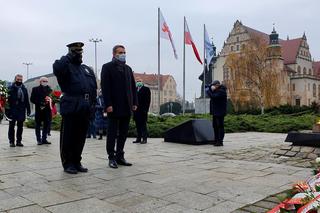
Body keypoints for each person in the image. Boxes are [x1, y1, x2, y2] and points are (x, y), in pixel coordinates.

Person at [53, 42, 97, 174]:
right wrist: (68, 57)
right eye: (76, 51)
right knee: (69, 136)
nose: (79, 54)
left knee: (80, 137)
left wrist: (93, 105)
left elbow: (93, 87)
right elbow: (58, 68)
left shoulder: (86, 69)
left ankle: (77, 161)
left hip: (85, 106)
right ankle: (68, 163)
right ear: (70, 52)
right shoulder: (65, 67)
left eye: (80, 52)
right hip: (72, 105)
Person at [101, 44, 138, 169]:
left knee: (123, 133)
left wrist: (135, 103)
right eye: (120, 52)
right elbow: (105, 88)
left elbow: (133, 87)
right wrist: (108, 104)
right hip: (114, 106)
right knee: (112, 133)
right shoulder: (107, 67)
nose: (123, 54)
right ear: (114, 54)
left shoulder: (128, 69)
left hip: (127, 106)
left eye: (124, 52)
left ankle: (120, 156)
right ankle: (111, 157)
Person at [6, 74, 31, 147]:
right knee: (11, 126)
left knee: (20, 127)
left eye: (21, 80)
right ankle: (11, 141)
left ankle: (19, 141)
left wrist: (28, 109)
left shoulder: (24, 88)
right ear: (15, 79)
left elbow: (26, 100)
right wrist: (7, 111)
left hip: (21, 110)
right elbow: (7, 101)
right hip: (12, 110)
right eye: (18, 80)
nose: (19, 81)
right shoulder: (10, 88)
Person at [30, 77, 52, 145]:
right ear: (40, 82)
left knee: (46, 125)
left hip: (47, 111)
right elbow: (32, 99)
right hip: (39, 110)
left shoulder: (50, 89)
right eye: (44, 81)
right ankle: (38, 140)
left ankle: (44, 139)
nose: (45, 82)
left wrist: (53, 101)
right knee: (38, 125)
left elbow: (52, 99)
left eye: (46, 81)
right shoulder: (35, 89)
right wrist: (40, 103)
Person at [206, 80, 227, 146]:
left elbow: (213, 96)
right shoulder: (216, 90)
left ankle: (220, 141)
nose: (213, 87)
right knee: (215, 126)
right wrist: (209, 87)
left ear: (217, 85)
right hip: (215, 112)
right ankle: (216, 140)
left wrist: (208, 90)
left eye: (213, 85)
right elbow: (212, 92)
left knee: (220, 126)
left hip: (220, 112)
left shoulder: (222, 91)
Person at [133, 78, 151, 144]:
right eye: (137, 81)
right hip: (136, 111)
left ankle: (144, 139)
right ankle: (138, 138)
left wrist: (146, 110)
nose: (138, 82)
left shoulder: (146, 89)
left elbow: (148, 101)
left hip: (143, 111)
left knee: (143, 125)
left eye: (139, 81)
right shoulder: (134, 89)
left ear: (142, 82)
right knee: (137, 126)